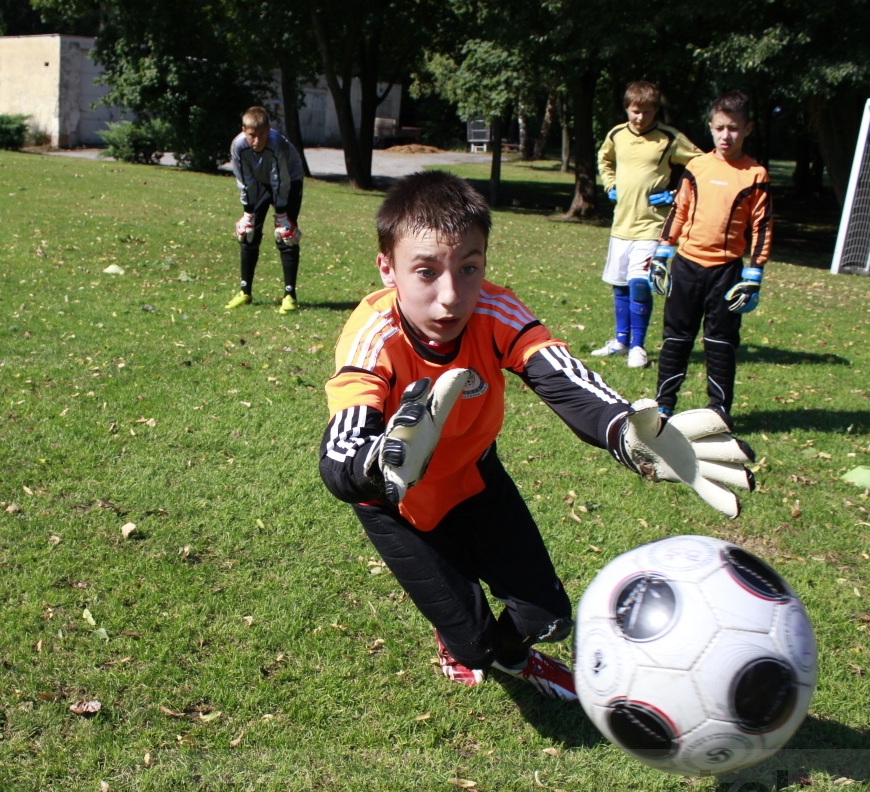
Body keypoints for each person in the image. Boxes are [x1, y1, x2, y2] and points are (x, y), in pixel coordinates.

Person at [318, 171, 755, 699]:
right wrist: (377, 466)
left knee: (546, 617)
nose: (450, 297)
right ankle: (468, 640)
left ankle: (513, 655)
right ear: (388, 268)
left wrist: (621, 428)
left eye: (469, 268)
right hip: (397, 506)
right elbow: (340, 449)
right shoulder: (373, 336)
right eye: (426, 272)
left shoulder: (494, 309)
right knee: (471, 644)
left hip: (474, 478)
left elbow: (559, 374)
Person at [650, 90, 773, 425]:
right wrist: (662, 253)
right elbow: (679, 211)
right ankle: (664, 404)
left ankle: (718, 409)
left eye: (733, 128)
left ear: (747, 129)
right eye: (719, 128)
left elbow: (761, 226)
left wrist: (754, 274)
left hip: (727, 272)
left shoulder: (755, 174)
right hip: (687, 266)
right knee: (676, 338)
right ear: (710, 127)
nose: (725, 135)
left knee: (721, 342)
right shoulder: (697, 166)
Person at [593, 81, 701, 369]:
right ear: (627, 108)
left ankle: (638, 347)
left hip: (653, 226)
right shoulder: (616, 135)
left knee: (640, 284)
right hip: (621, 225)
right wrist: (610, 184)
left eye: (648, 112)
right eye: (635, 111)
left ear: (656, 111)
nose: (640, 117)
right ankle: (620, 341)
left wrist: (676, 193)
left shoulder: (669, 138)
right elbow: (604, 160)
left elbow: (701, 164)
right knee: (620, 286)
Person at [225, 106, 305, 313]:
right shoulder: (238, 146)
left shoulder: (277, 144)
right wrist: (247, 212)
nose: (257, 141)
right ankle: (245, 291)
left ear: (269, 129)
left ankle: (290, 296)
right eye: (252, 135)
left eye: (262, 134)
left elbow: (280, 180)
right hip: (260, 183)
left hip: (290, 181)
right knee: (248, 233)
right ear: (244, 130)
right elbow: (244, 180)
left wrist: (282, 215)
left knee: (285, 234)